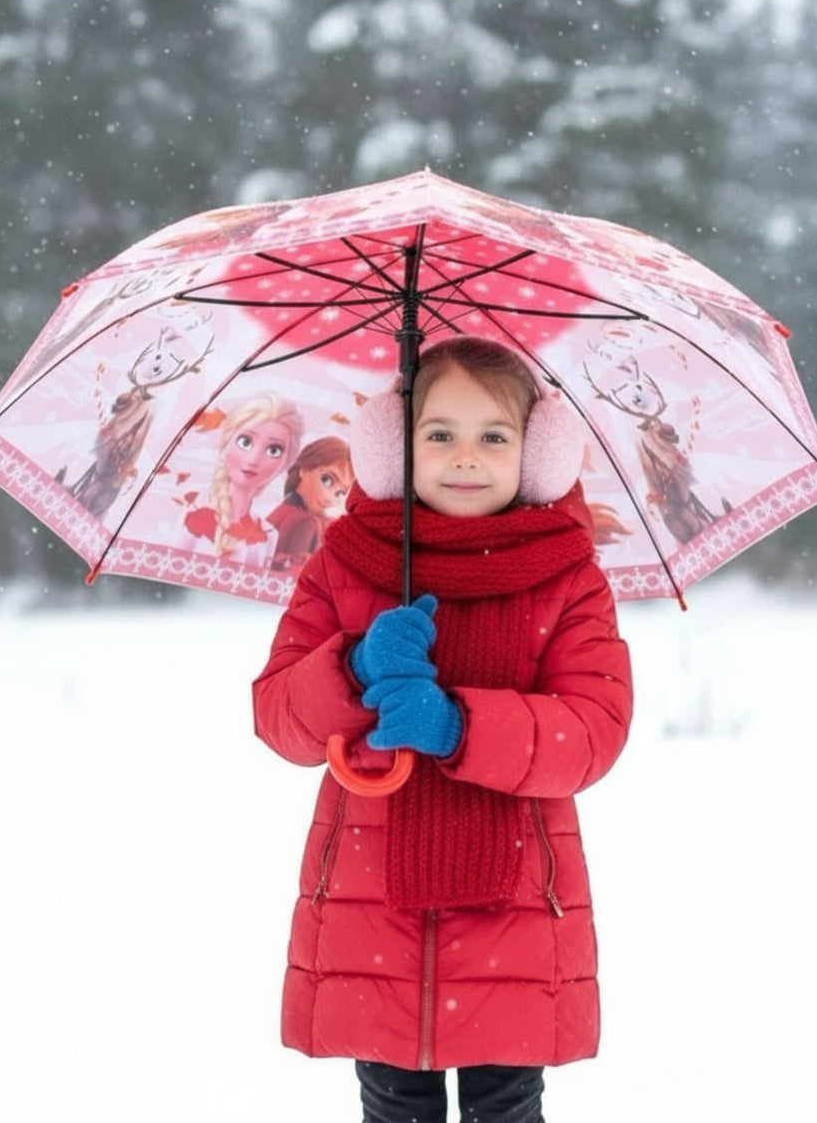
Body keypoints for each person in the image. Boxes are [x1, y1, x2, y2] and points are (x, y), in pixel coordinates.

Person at [252, 336, 633, 1123]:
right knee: (393, 1107)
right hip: (371, 895)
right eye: (440, 434)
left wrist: (459, 725)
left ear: (536, 454)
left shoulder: (567, 577)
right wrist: (353, 667)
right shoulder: (345, 565)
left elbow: (592, 731)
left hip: (520, 906)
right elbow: (278, 719)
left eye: (494, 435)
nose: (467, 457)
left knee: (505, 1107)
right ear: (395, 448)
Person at [183, 392, 303, 566]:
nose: (254, 460)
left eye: (274, 450)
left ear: (286, 463)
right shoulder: (194, 516)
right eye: (245, 442)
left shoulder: (268, 534)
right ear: (226, 443)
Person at [267, 436, 354, 571]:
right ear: (304, 470)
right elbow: (294, 577)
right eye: (326, 480)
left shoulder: (284, 510)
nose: (329, 497)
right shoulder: (305, 522)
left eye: (340, 493)